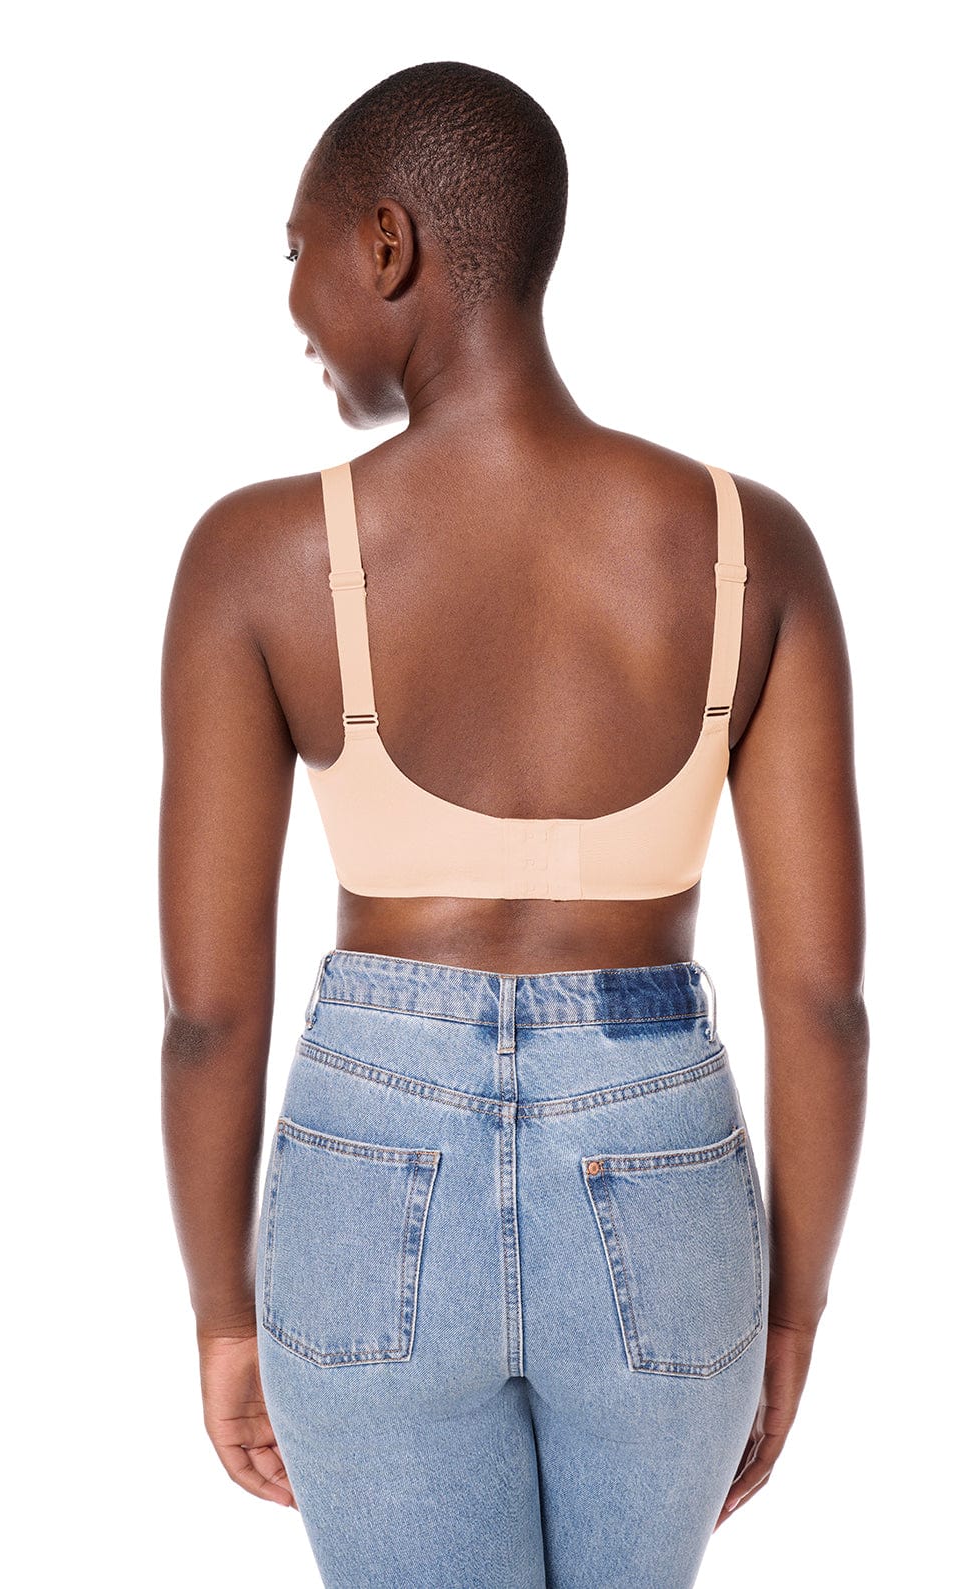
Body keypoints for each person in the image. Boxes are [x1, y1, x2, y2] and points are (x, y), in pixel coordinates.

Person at [159, 59, 868, 1589]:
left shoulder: (257, 559)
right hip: (661, 1163)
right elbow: (823, 1002)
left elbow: (209, 1017)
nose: (291, 303)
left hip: (370, 1158)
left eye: (297, 250)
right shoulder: (754, 550)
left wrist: (223, 1309)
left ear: (388, 246)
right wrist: (791, 1311)